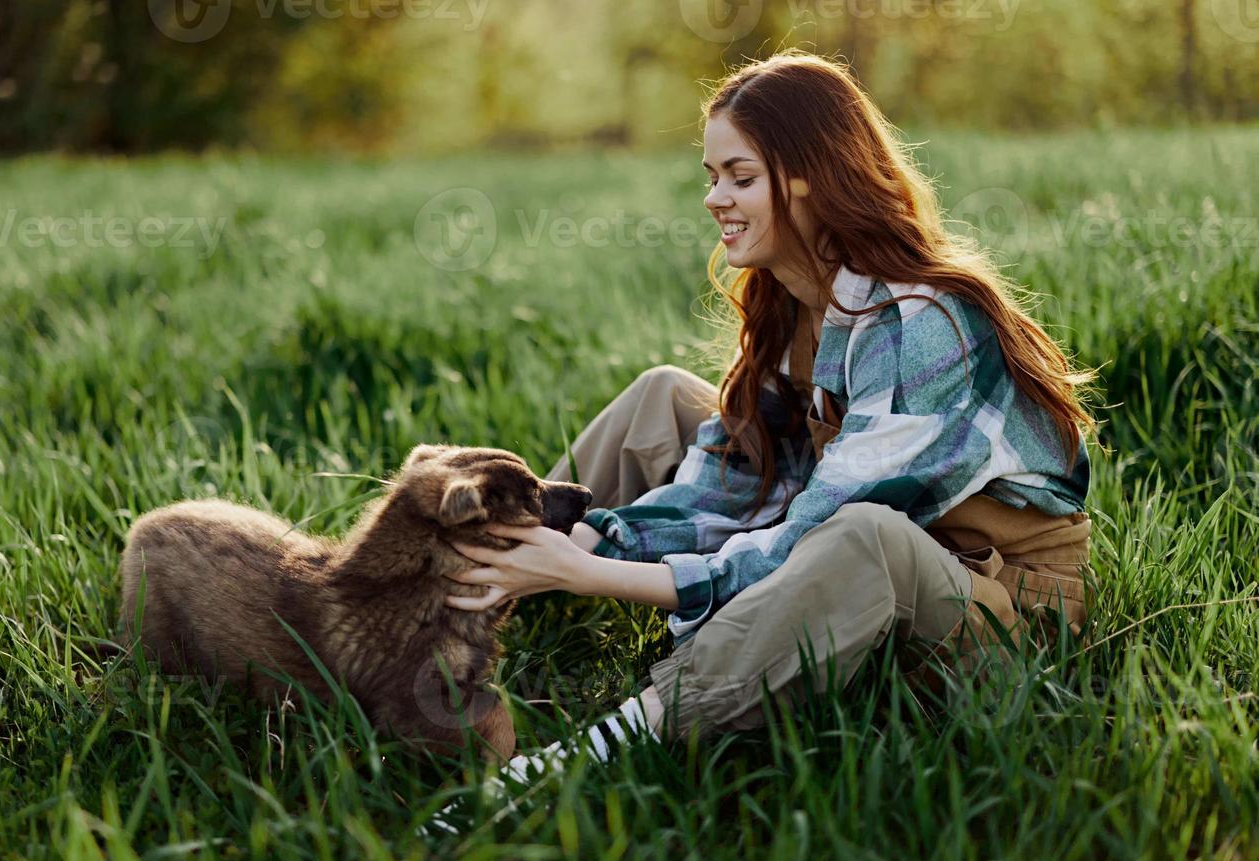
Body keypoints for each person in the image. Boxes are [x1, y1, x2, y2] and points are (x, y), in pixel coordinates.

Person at [438, 50, 1096, 799]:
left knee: (863, 538)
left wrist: (592, 575)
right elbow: (738, 486)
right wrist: (590, 539)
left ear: (814, 176)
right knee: (664, 398)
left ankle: (593, 751)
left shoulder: (922, 324)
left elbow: (807, 534)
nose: (717, 198)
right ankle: (449, 604)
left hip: (995, 616)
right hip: (861, 550)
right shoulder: (797, 302)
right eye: (713, 177)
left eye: (741, 178)